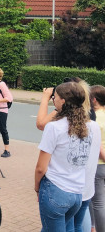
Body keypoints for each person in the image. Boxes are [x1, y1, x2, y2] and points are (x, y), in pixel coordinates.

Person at [35, 82, 101, 232]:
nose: (53, 100)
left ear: (63, 101)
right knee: (68, 227)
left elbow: (41, 167)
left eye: (55, 97)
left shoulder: (54, 127)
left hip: (56, 190)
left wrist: (37, 187)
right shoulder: (91, 126)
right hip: (77, 193)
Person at [89, 85, 105, 232]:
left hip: (99, 164)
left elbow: (98, 145)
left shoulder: (95, 120)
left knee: (97, 202)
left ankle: (95, 228)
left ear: (94, 100)